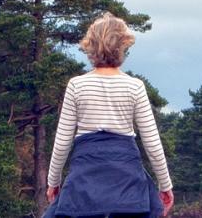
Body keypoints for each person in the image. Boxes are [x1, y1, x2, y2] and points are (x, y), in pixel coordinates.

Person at [44, 13, 174, 218]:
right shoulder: (135, 87)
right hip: (128, 181)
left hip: (84, 180)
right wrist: (165, 185)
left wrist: (54, 182)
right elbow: (152, 143)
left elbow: (62, 143)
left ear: (90, 47)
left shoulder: (76, 86)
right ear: (122, 46)